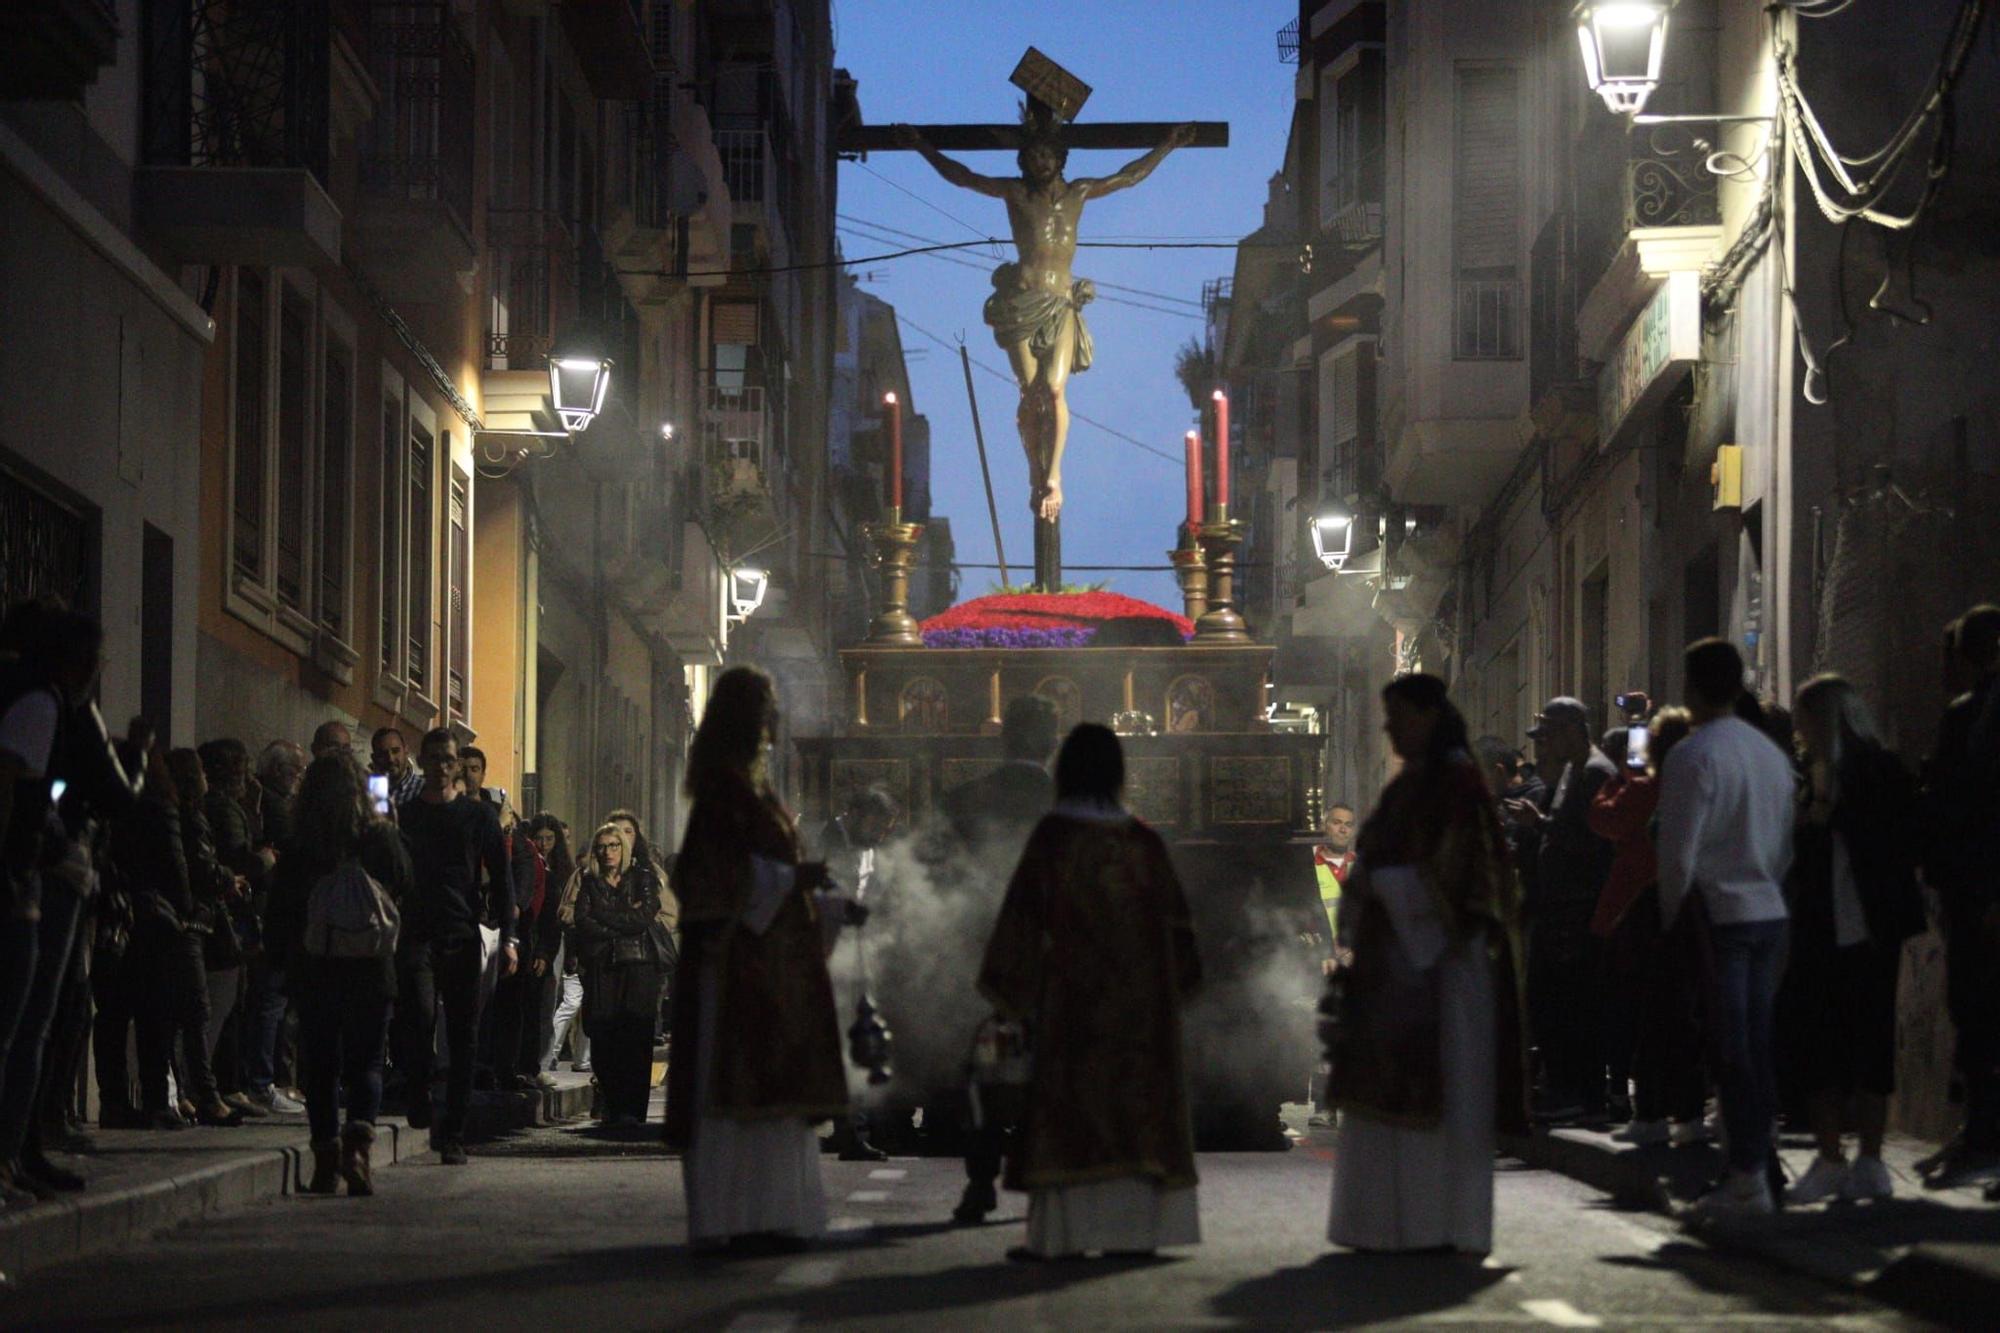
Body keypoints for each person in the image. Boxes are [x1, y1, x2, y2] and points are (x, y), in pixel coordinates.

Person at [896, 114, 1196, 524]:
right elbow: (963, 176)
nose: (1040, 161)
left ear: (1060, 157)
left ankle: (1052, 476)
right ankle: (1034, 474)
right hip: (1022, 302)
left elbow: (1128, 177)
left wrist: (1169, 145)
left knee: (1053, 390)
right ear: (1023, 161)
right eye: (1033, 155)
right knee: (1029, 391)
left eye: (1046, 154)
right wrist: (921, 146)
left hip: (1060, 303)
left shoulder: (1080, 192)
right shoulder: (1014, 192)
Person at [979, 723, 1202, 1261]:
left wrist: (1009, 993)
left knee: (1072, 1109)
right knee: (1133, 1108)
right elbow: (1179, 929)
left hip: (1073, 1005)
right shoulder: (1142, 841)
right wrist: (1177, 985)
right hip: (1140, 1010)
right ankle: (1134, 1234)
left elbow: (1022, 921)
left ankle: (1067, 1236)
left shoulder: (1055, 838)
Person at [1325, 673, 1527, 1256]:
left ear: (1429, 717)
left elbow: (1468, 878)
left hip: (1442, 968)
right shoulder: (1412, 784)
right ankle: (1385, 1224)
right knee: (1386, 1100)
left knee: (1439, 1096)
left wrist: (1383, 886)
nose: (1389, 731)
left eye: (1398, 719)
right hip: (1395, 968)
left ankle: (1433, 1224)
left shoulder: (1458, 784)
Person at [664, 666, 850, 1254]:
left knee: (772, 1101)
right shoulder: (724, 792)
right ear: (748, 720)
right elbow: (708, 878)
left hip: (770, 971)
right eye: (767, 707)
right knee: (737, 1099)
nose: (776, 719)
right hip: (734, 971)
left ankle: (767, 1216)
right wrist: (794, 877)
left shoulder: (754, 792)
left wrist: (828, 903)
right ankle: (735, 1219)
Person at [1657, 639, 1797, 1218]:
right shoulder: (1769, 755)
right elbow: (1786, 842)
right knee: (1756, 1047)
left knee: (1732, 1050)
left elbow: (1677, 853)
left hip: (1722, 914)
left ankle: (1746, 1178)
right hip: (1770, 910)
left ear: (1690, 689)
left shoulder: (1693, 755)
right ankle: (1759, 1166)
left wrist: (1671, 920)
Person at [1777, 676, 1924, 1205]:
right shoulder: (1817, 776)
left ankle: (1866, 1159)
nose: (1798, 730)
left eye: (1805, 718)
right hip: (1826, 927)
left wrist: (1826, 807)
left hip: (1865, 926)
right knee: (1826, 1044)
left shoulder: (1871, 772)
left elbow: (1897, 838)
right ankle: (1837, 1157)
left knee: (1864, 1043)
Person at [266, 753, 411, 1195]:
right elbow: (404, 879)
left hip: (317, 968)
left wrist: (278, 959)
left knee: (322, 1067)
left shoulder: (302, 840)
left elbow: (282, 907)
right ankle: (359, 1151)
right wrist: (387, 821)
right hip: (370, 967)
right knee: (366, 1061)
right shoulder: (376, 835)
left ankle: (326, 1164)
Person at [939, 693, 1059, 1225]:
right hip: (1051, 957)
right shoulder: (1068, 803)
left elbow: (934, 875)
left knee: (987, 1069)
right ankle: (1044, 1184)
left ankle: (980, 1181)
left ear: (1003, 737)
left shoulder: (965, 798)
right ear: (1051, 742)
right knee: (1048, 1070)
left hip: (981, 954)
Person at [394, 728, 516, 1165]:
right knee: (419, 1016)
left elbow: (501, 877)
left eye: (450, 760)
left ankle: (454, 1133)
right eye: (435, 759)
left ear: (457, 765)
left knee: (464, 1035)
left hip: (462, 933)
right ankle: (418, 1088)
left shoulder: (478, 817)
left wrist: (509, 935)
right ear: (422, 762)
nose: (442, 767)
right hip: (415, 932)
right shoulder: (404, 814)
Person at [102, 749, 240, 1130]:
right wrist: (186, 908)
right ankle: (174, 1099)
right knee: (171, 1013)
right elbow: (180, 868)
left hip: (128, 919)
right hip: (170, 924)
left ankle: (131, 1101)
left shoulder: (122, 810)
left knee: (119, 1015)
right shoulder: (170, 811)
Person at [1587, 708, 1704, 1147]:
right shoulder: (1696, 782)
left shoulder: (1647, 787)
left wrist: (1627, 769)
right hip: (1697, 909)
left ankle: (1651, 1110)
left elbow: (1604, 815)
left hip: (1647, 911)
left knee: (1646, 1017)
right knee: (1685, 1018)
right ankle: (1688, 1111)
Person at [1918, 605, 2000, 1189]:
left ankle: (1983, 1137)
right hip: (1968, 888)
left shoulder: (1977, 716)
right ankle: (1977, 1131)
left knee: (1980, 1015)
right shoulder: (1971, 714)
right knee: (1972, 1014)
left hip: (1981, 889)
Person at [1510, 698, 1617, 1122]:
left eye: (1551, 734)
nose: (1546, 746)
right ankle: (1565, 1088)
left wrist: (1540, 825)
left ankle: (1582, 1092)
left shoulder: (1594, 771)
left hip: (1578, 908)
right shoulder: (1574, 769)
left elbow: (1593, 842)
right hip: (1560, 909)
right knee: (1552, 1000)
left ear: (1573, 729)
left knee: (1574, 1004)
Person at [164, 748, 246, 1120]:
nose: (206, 779)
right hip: (190, 922)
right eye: (199, 772)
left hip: (183, 920)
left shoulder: (178, 814)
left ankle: (185, 1092)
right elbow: (200, 867)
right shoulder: (191, 818)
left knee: (183, 1012)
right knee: (195, 1010)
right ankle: (202, 1094)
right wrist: (229, 878)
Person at [571, 824, 672, 1126]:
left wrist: (607, 917)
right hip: (603, 967)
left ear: (624, 848)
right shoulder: (589, 883)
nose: (607, 852)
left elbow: (644, 917)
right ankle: (613, 1105)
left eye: (614, 845)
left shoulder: (642, 878)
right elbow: (583, 921)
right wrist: (621, 921)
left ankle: (633, 1110)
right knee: (603, 1036)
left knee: (636, 1038)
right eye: (602, 847)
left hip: (638, 965)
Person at [370, 727, 423, 809]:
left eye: (395, 751)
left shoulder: (423, 789)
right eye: (383, 754)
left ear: (406, 751)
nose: (390, 759)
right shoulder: (369, 792)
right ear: (374, 758)